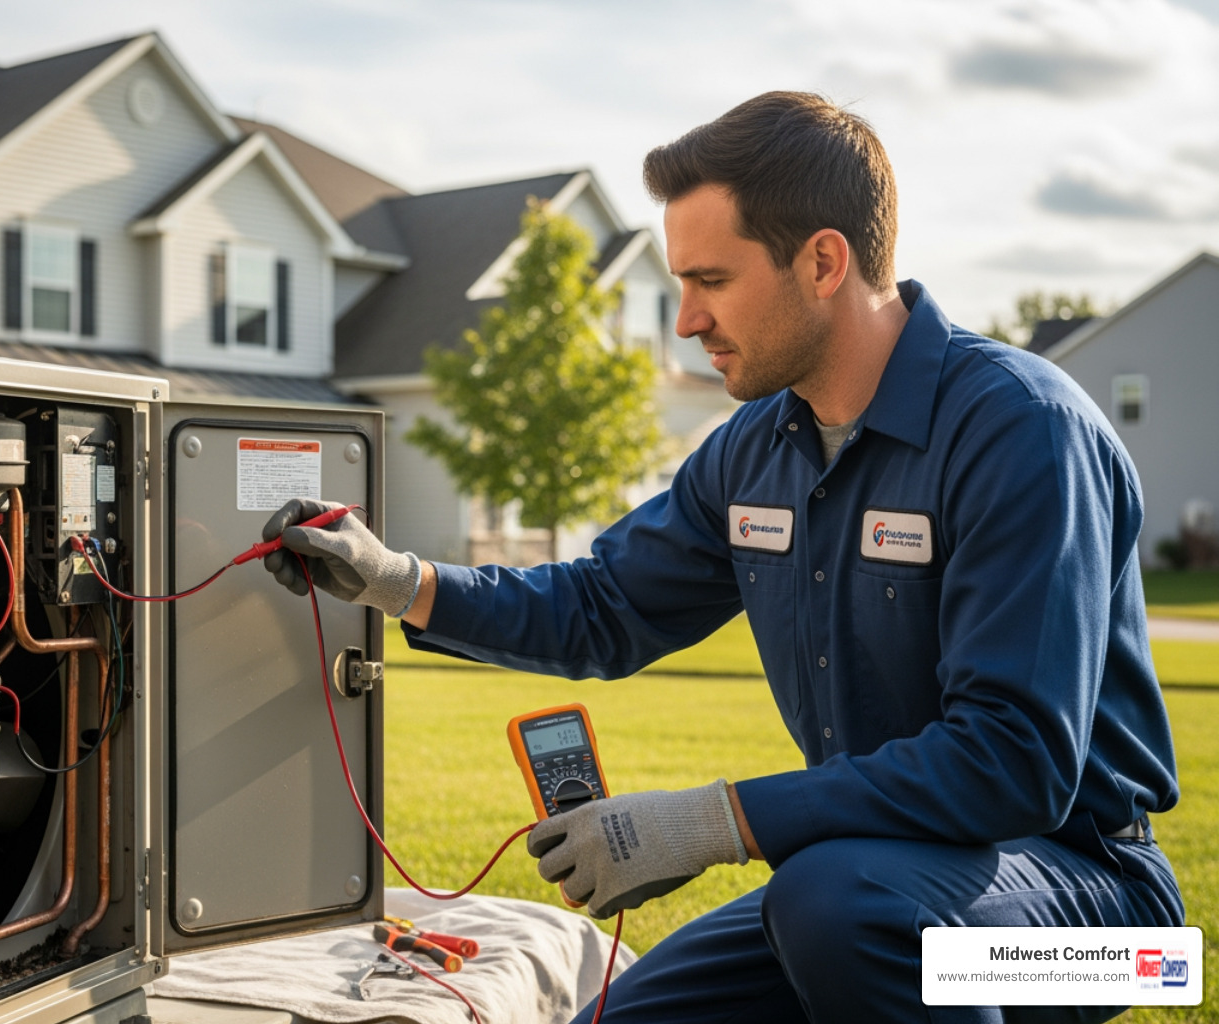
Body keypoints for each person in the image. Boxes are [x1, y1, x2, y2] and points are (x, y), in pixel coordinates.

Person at [260, 91, 1183, 1024]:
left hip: (1105, 925)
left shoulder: (1024, 430)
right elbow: (601, 606)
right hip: (876, 886)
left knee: (835, 908)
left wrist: (710, 823)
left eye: (711, 280)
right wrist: (399, 582)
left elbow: (1012, 761)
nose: (685, 321)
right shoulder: (753, 451)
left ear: (823, 262)